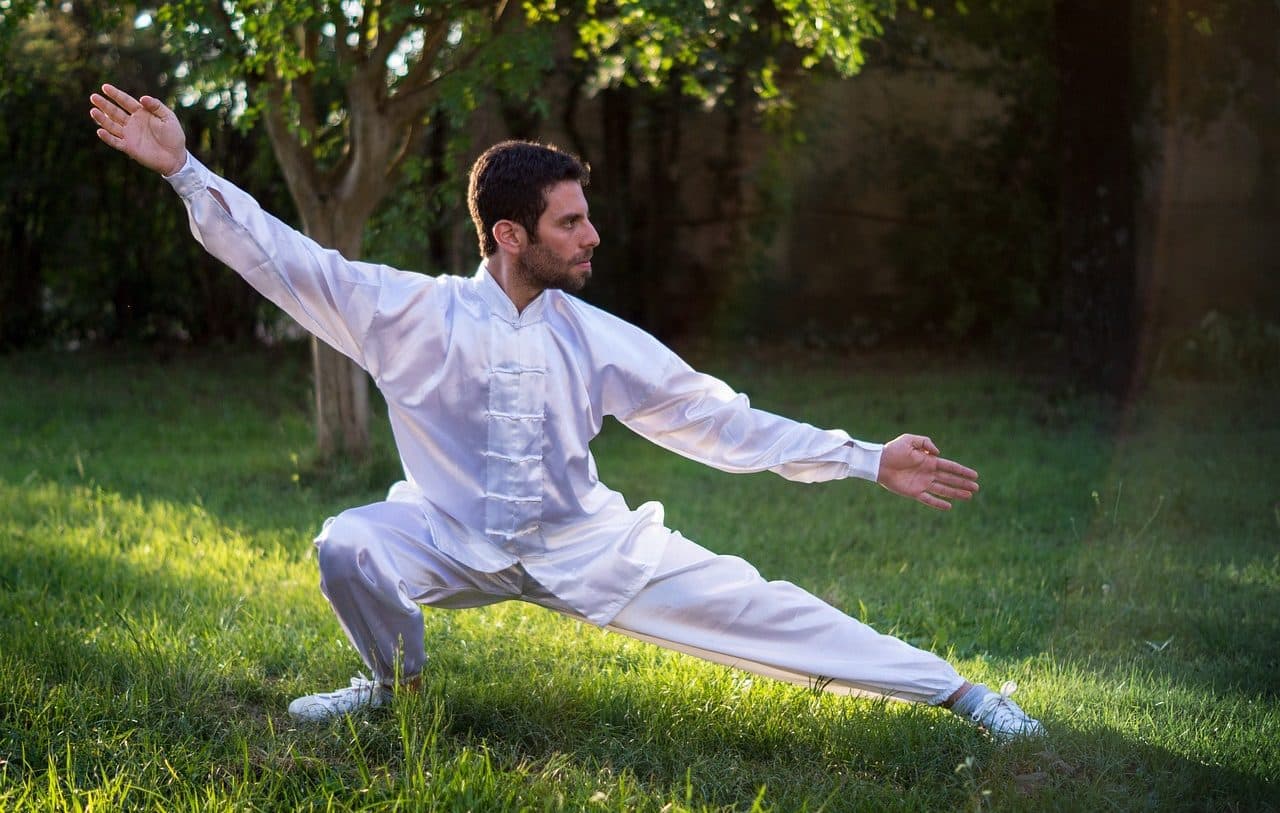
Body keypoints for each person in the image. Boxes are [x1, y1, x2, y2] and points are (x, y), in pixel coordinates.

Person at [89, 83, 1045, 742]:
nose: (593, 236)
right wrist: (184, 172)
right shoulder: (406, 313)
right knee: (346, 542)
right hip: (449, 537)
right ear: (510, 235)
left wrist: (865, 457)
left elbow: (721, 421)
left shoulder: (599, 339)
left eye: (586, 218)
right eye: (570, 223)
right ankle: (391, 690)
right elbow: (281, 257)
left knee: (770, 612)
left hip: (590, 549)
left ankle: (963, 694)